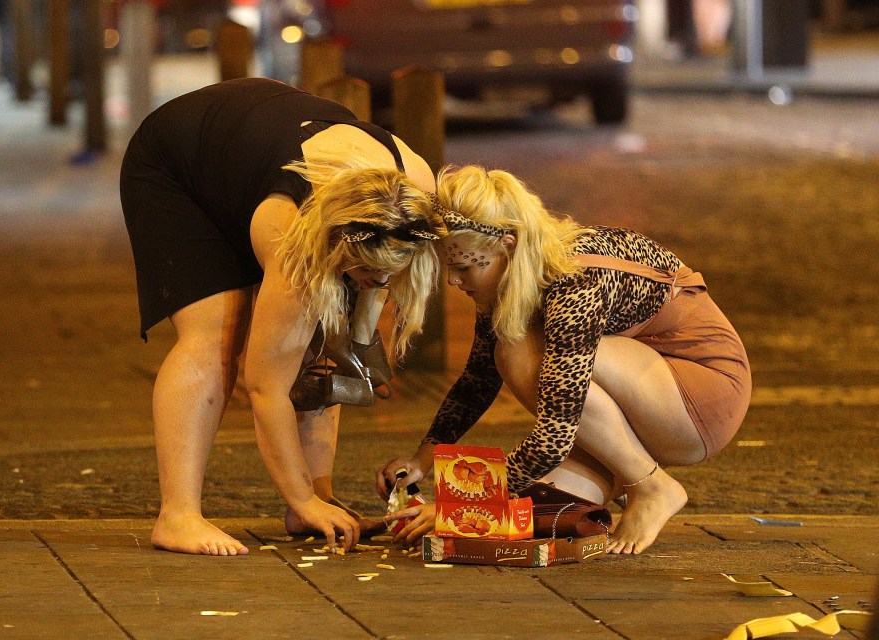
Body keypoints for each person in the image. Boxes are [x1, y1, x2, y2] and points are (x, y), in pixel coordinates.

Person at [120, 78, 442, 556]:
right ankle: (178, 516)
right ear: (336, 244)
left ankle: (317, 502)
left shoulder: (418, 194)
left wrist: (358, 338)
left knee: (322, 338)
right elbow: (266, 386)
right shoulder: (292, 236)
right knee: (217, 336)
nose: (380, 283)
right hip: (179, 161)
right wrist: (299, 495)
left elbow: (355, 312)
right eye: (366, 271)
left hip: (255, 142)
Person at [378, 165, 751, 555]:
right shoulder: (511, 275)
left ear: (507, 244)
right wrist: (422, 461)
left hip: (703, 397)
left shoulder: (574, 280)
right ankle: (624, 476)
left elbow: (556, 430)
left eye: (465, 267)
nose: (453, 281)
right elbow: (477, 380)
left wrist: (467, 503)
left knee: (517, 349)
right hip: (652, 394)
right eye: (447, 267)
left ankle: (652, 486)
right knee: (539, 509)